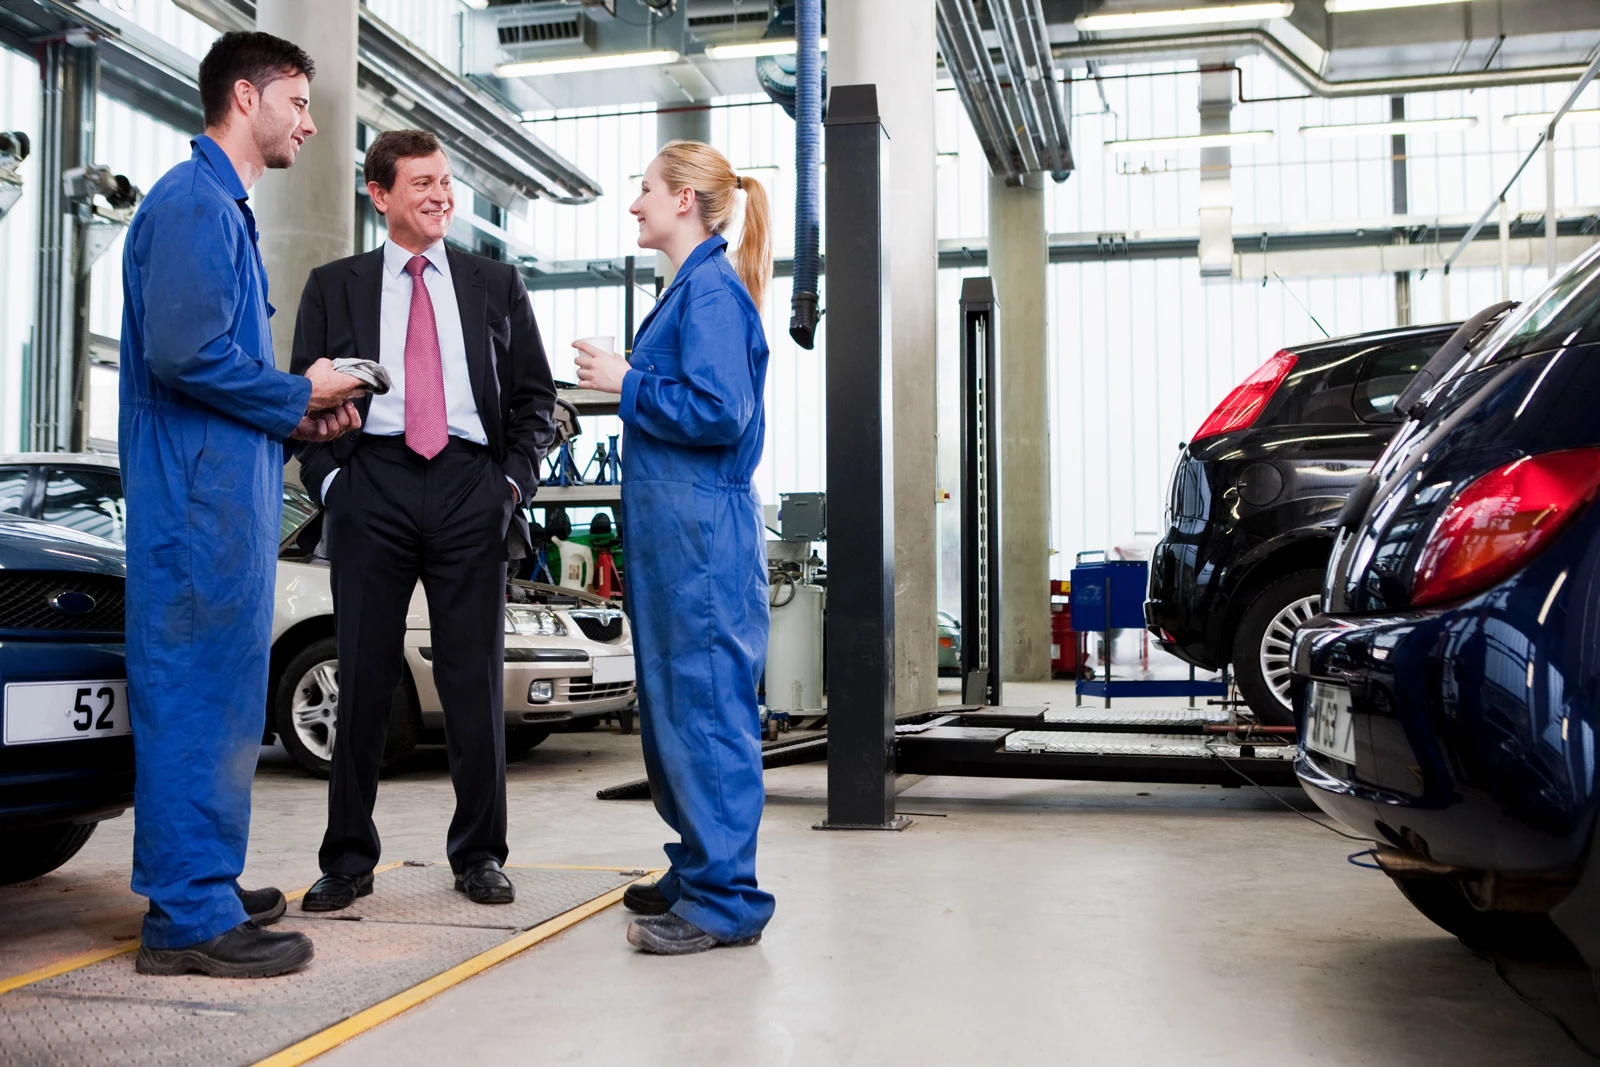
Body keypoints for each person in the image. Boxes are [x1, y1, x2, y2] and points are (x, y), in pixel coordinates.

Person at [121, 31, 366, 978]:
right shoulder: (192, 206)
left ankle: (203, 882)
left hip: (220, 495)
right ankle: (186, 920)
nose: (308, 122)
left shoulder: (221, 209)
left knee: (220, 705)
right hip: (194, 510)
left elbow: (216, 377)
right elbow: (185, 357)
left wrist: (294, 422)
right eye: (297, 102)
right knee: (194, 702)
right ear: (243, 97)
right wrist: (299, 391)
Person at [291, 130, 557, 911]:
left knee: (472, 680)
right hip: (373, 482)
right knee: (363, 677)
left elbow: (535, 397)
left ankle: (479, 852)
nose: (441, 195)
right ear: (379, 195)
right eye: (422, 183)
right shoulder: (333, 286)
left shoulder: (494, 283)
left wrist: (510, 486)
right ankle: (346, 858)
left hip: (471, 484)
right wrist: (335, 484)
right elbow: (302, 400)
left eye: (447, 181)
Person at [573, 139, 774, 955]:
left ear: (685, 198)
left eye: (646, 189)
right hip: (673, 535)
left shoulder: (713, 296)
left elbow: (721, 412)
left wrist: (627, 382)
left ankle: (726, 899)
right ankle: (698, 865)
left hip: (701, 538)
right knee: (672, 711)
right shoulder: (688, 291)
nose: (636, 203)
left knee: (707, 711)